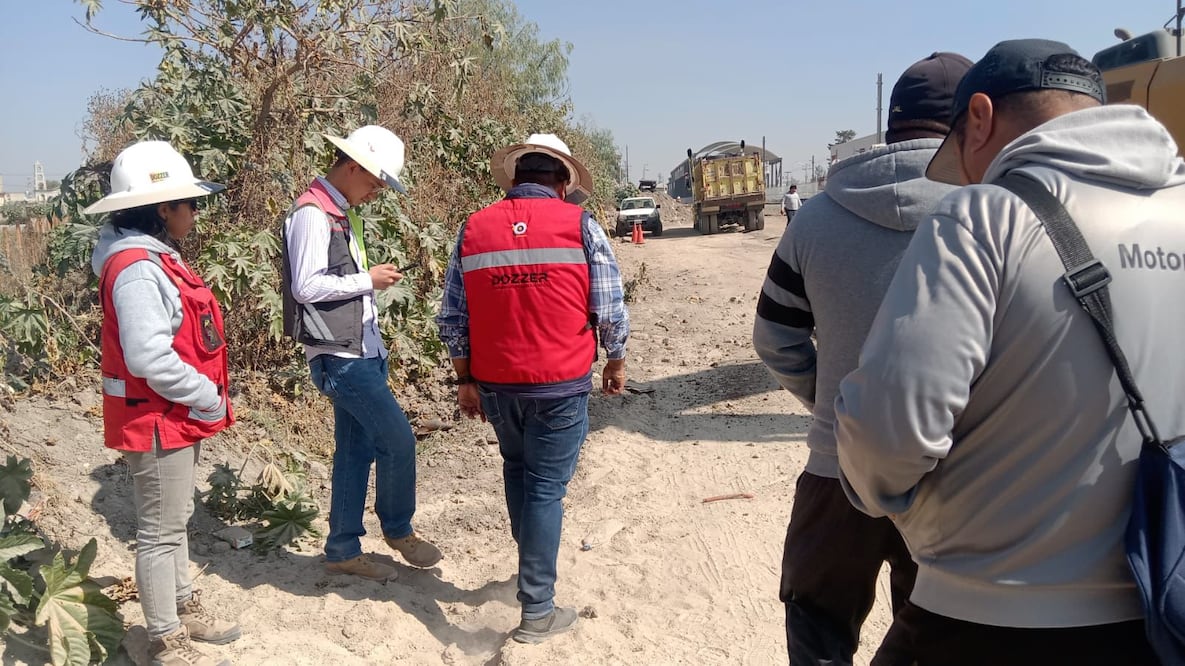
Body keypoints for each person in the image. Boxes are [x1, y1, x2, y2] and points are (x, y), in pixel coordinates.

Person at [834, 39, 1185, 665]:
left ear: (979, 118)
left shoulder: (984, 217)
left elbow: (889, 433)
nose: (966, 174)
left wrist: (915, 519)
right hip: (1166, 607)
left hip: (988, 614)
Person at [753, 52, 972, 666]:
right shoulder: (997, 213)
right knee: (936, 633)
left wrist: (835, 402)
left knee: (819, 628)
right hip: (954, 476)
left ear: (893, 121)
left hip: (836, 471)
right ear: (969, 121)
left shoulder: (816, 216)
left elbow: (774, 337)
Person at [436, 133, 630, 644]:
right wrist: (615, 360)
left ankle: (529, 570)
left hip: (496, 384)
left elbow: (453, 317)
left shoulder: (473, 228)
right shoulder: (580, 225)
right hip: (559, 384)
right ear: (563, 182)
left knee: (518, 470)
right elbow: (609, 305)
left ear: (517, 179)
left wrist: (464, 381)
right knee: (545, 487)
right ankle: (537, 608)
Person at [88, 140, 240, 666]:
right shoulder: (135, 268)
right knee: (158, 532)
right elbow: (149, 355)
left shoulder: (149, 259)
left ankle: (180, 608)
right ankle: (164, 639)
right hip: (156, 417)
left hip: (170, 415)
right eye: (189, 203)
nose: (195, 212)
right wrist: (205, 396)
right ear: (161, 208)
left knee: (175, 520)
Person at [280, 125, 441, 582]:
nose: (375, 192)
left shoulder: (336, 212)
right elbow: (306, 286)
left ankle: (342, 549)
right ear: (352, 167)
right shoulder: (313, 214)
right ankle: (397, 528)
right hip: (339, 357)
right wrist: (366, 280)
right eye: (373, 182)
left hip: (357, 350)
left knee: (354, 453)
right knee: (397, 440)